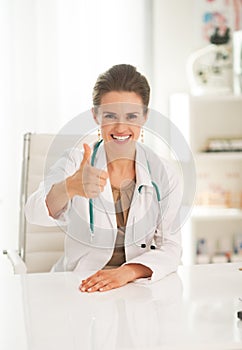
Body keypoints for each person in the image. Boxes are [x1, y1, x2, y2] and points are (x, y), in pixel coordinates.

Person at [25, 64, 182, 293]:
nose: (121, 127)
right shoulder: (75, 162)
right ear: (95, 115)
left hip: (138, 288)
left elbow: (171, 247)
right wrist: (69, 187)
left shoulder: (164, 174)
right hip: (80, 286)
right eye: (110, 116)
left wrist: (126, 272)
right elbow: (33, 213)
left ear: (145, 117)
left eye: (131, 116)